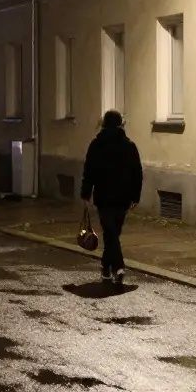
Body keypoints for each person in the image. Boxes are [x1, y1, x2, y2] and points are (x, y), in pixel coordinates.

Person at [81, 110, 143, 287]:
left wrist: (86, 194)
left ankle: (111, 267)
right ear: (120, 124)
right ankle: (115, 267)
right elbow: (137, 173)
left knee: (111, 233)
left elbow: (89, 172)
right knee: (113, 232)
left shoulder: (96, 145)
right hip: (123, 197)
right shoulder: (129, 146)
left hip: (104, 196)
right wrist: (135, 196)